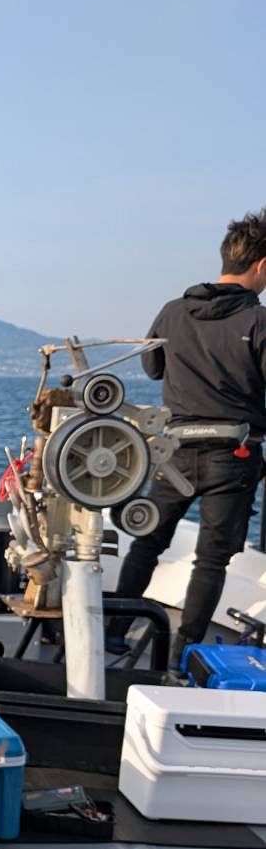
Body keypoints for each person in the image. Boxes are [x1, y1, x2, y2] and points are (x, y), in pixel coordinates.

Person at [111, 208, 266, 663]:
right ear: (261, 265)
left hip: (173, 452)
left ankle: (115, 632)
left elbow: (152, 366)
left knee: (148, 542)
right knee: (211, 560)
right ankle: (184, 655)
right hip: (233, 455)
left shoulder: (173, 312)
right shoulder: (259, 322)